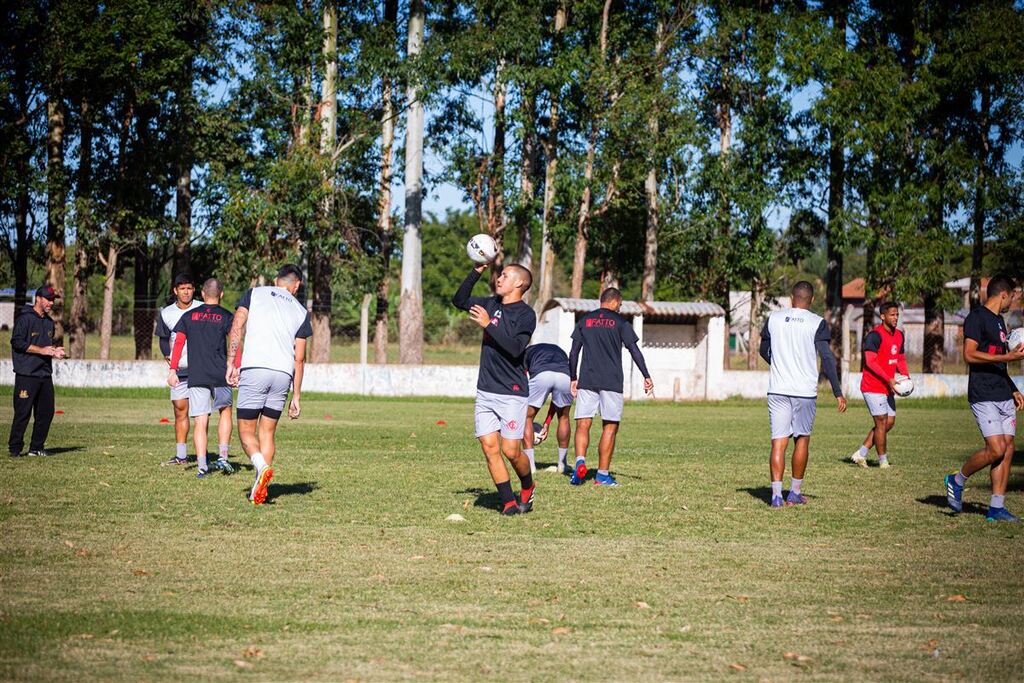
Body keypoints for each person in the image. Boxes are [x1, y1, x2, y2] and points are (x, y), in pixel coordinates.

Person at [452, 261, 537, 515]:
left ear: (519, 283)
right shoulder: (491, 304)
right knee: (489, 447)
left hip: (512, 392)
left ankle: (528, 485)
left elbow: (515, 349)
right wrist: (476, 271)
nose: (499, 279)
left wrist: (489, 324)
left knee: (511, 451)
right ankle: (508, 502)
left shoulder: (526, 315)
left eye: (505, 276)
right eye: (499, 275)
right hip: (486, 390)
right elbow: (459, 300)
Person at [226, 264, 312, 505]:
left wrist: (231, 362)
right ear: (297, 285)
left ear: (276, 280)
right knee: (267, 433)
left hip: (256, 369)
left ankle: (261, 467)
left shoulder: (254, 293)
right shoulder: (301, 311)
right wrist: (296, 396)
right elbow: (300, 358)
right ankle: (259, 487)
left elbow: (237, 325)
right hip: (282, 374)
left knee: (246, 431)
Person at [758, 281, 846, 507]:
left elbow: (763, 350)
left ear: (791, 298)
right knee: (802, 439)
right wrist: (837, 391)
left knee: (778, 442)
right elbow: (826, 357)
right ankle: (794, 493)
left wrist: (778, 364)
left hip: (777, 389)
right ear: (812, 300)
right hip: (804, 392)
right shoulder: (817, 323)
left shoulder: (774, 318)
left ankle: (776, 496)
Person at [945, 275, 1024, 523]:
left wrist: (1012, 387)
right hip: (983, 394)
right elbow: (969, 355)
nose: (1013, 302)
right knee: (996, 449)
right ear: (1004, 294)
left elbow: (998, 360)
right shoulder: (976, 318)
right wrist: (1007, 358)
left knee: (1007, 450)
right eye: (1012, 297)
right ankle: (957, 480)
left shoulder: (999, 321)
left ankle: (996, 508)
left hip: (1002, 392)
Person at [568, 288, 654, 487]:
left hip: (587, 380)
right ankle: (602, 476)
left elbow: (573, 353)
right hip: (611, 381)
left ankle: (579, 463)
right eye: (620, 304)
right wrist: (646, 375)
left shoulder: (584, 321)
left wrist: (573, 377)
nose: (620, 308)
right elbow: (634, 351)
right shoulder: (621, 323)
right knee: (610, 426)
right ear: (614, 302)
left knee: (583, 424)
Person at [167, 278, 235, 478]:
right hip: (221, 373)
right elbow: (235, 343)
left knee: (200, 420)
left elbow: (178, 344)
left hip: (197, 374)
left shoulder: (188, 316)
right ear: (221, 294)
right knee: (225, 411)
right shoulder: (227, 316)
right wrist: (235, 367)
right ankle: (223, 457)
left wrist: (172, 370)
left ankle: (202, 466)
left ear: (203, 294)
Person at [8, 284, 64, 457]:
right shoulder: (24, 319)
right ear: (38, 298)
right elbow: (17, 342)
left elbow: (46, 347)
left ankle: (36, 448)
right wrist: (42, 350)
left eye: (53, 300)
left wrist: (54, 351)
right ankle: (15, 449)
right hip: (27, 374)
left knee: (46, 413)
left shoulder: (49, 322)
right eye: (48, 299)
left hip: (44, 374)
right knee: (23, 413)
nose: (51, 303)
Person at [851, 302, 909, 469]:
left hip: (888, 386)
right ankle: (883, 461)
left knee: (889, 422)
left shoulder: (899, 335)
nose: (895, 318)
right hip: (872, 386)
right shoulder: (874, 336)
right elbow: (870, 362)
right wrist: (888, 379)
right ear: (883, 316)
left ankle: (861, 453)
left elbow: (900, 359)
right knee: (881, 422)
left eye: (897, 315)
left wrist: (906, 378)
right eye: (892, 315)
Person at [155, 273, 202, 465]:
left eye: (189, 288)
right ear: (175, 290)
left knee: (201, 415)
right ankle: (181, 455)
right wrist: (168, 356)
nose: (186, 292)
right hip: (180, 370)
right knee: (180, 411)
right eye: (182, 288)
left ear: (194, 290)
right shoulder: (167, 313)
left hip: (201, 369)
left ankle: (201, 456)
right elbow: (163, 339)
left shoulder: (202, 308)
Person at [522, 343, 573, 474]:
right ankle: (562, 465)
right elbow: (555, 400)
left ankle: (530, 466)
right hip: (564, 376)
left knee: (527, 418)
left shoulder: (526, 352)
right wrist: (547, 423)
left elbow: (522, 379)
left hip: (541, 374)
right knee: (564, 417)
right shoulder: (560, 350)